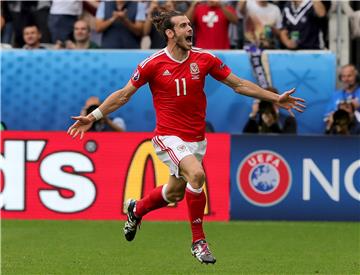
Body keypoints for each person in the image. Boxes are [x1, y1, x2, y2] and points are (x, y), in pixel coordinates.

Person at [67, 10, 305, 264]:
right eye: (182, 26)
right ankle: (198, 241)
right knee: (198, 175)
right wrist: (93, 117)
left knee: (175, 193)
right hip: (168, 137)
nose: (189, 29)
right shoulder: (153, 64)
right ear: (170, 33)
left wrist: (275, 98)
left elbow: (239, 84)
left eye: (190, 25)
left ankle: (136, 209)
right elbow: (124, 94)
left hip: (196, 139)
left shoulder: (205, 59)